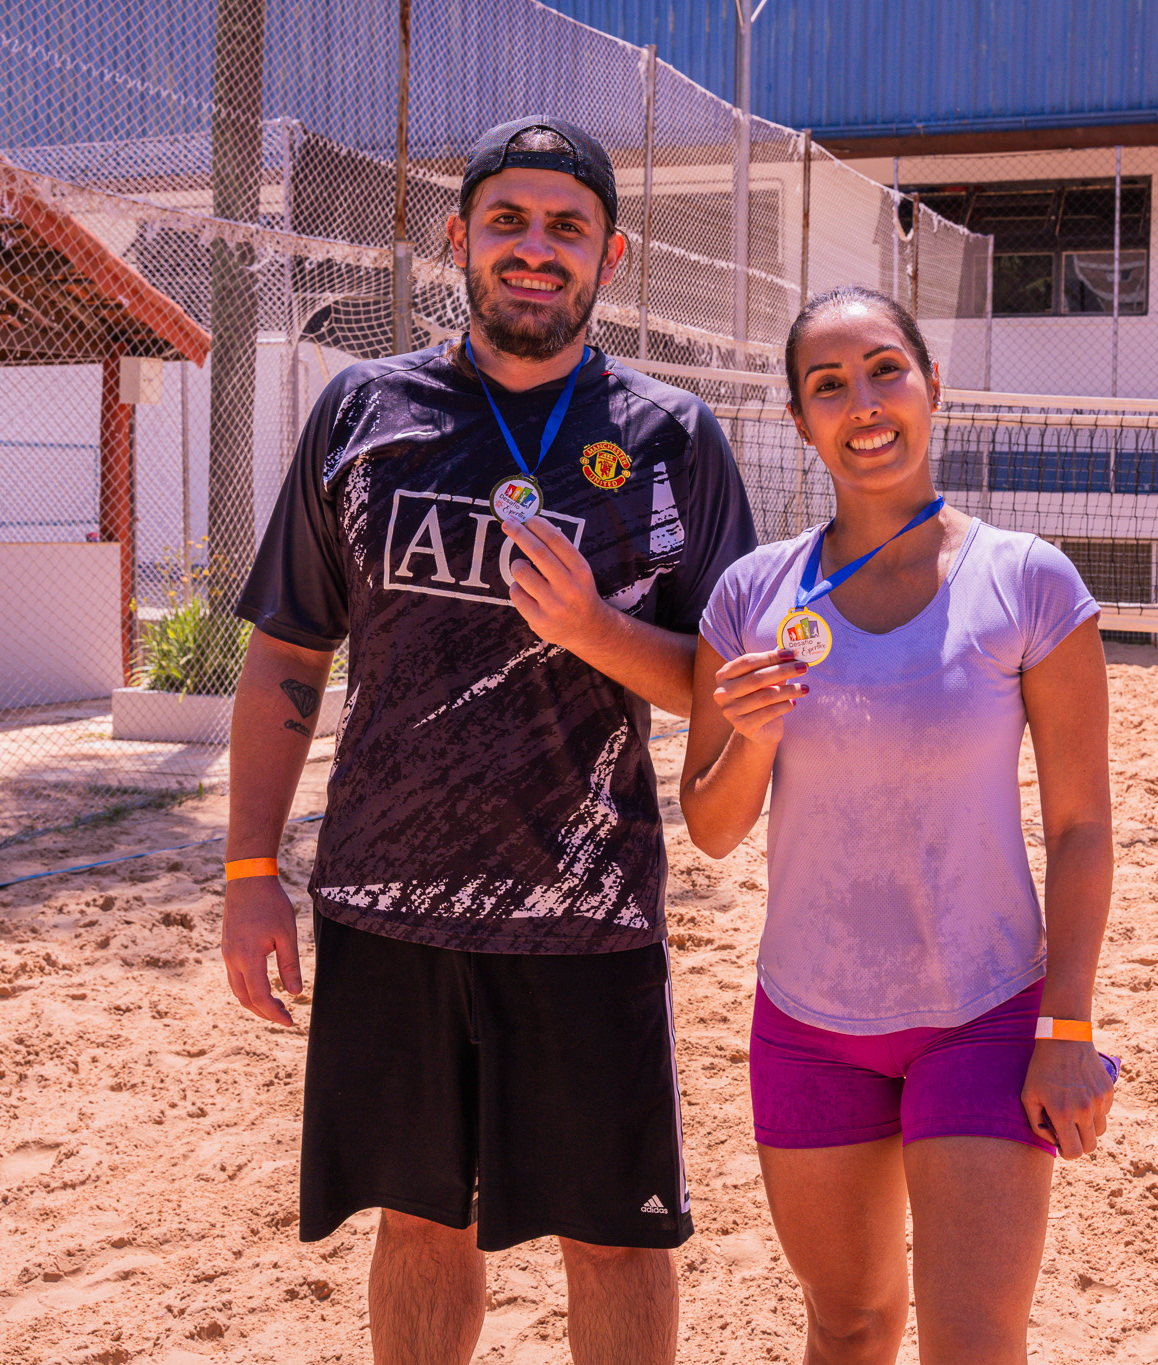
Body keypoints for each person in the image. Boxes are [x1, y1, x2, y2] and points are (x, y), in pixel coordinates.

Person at [219, 116, 756, 1365]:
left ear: (609, 257)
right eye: (507, 220)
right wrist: (249, 872)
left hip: (586, 914)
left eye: (566, 227)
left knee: (613, 1241)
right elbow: (289, 653)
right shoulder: (363, 410)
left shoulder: (672, 438)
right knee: (417, 1224)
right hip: (385, 904)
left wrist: (595, 632)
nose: (534, 248)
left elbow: (727, 688)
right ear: (456, 238)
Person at [679, 285, 1117, 1365]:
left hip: (983, 1013)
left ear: (932, 386)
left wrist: (1066, 1029)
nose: (863, 403)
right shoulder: (750, 594)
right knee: (848, 1326)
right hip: (806, 1021)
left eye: (886, 370)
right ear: (798, 421)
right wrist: (757, 736)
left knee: (971, 1342)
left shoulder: (1026, 580)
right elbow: (711, 827)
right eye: (828, 385)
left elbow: (1080, 826)